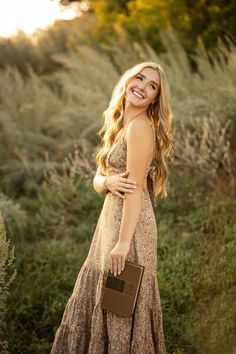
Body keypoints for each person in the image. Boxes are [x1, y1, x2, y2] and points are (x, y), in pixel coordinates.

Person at [50, 61, 174, 354]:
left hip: (129, 228)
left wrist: (122, 242)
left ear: (155, 98)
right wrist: (106, 181)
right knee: (106, 297)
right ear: (128, 79)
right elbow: (98, 177)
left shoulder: (141, 127)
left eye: (152, 86)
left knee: (119, 304)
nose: (142, 87)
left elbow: (135, 191)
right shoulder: (121, 124)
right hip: (111, 223)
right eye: (140, 78)